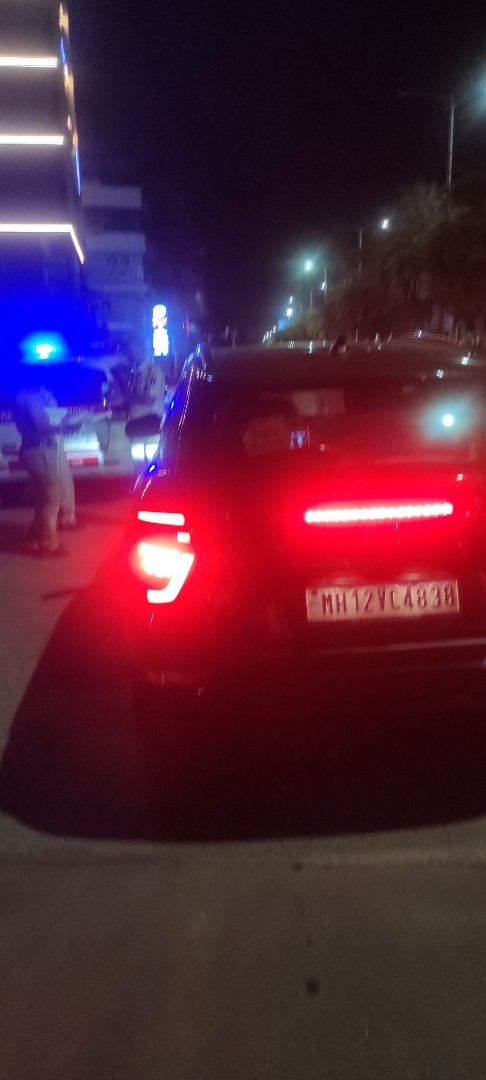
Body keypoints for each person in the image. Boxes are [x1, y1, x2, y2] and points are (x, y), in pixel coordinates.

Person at [12, 367, 77, 555]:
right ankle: (48, 546)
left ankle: (36, 531)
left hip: (36, 450)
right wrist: (66, 427)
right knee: (50, 499)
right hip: (39, 450)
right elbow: (40, 425)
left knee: (43, 496)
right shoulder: (32, 397)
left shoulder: (28, 394)